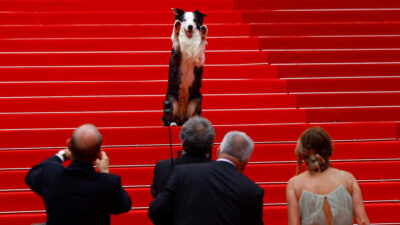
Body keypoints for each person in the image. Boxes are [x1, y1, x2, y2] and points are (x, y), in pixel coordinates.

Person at [148, 131, 264, 225]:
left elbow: (156, 210)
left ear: (218, 150)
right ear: (245, 162)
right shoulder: (252, 191)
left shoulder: (185, 172)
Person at [25, 124, 131, 225]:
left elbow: (31, 176)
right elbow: (124, 205)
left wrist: (62, 155)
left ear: (69, 145)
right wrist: (105, 171)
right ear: (99, 153)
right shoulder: (108, 183)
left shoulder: (52, 174)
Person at [286, 127, 370, 225]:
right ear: (328, 149)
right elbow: (363, 221)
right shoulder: (347, 179)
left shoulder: (295, 184)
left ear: (303, 153)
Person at [151, 116, 214, 197]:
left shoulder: (164, 168)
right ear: (210, 145)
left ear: (182, 143)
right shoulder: (221, 172)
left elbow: (156, 196)